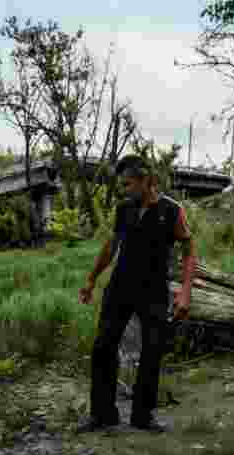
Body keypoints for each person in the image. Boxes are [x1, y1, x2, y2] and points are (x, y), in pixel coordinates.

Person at [78, 155, 197, 433]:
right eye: (123, 184)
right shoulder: (124, 209)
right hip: (120, 287)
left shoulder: (172, 211)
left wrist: (185, 293)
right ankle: (103, 415)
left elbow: (189, 251)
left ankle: (143, 416)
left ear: (147, 180)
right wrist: (91, 280)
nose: (125, 189)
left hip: (154, 290)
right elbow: (110, 247)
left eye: (129, 184)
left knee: (152, 350)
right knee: (103, 347)